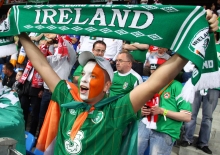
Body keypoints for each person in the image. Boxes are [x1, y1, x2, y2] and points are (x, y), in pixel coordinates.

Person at [18, 10, 218, 155]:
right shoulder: (67, 97)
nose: (84, 79)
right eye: (84, 74)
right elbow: (43, 66)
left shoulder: (115, 111)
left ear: (107, 86)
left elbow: (154, 83)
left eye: (93, 76)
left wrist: (195, 40)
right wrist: (21, 34)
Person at [138, 57, 192, 155]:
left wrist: (163, 111)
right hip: (146, 124)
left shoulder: (177, 86)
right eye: (152, 71)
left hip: (165, 130)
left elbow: (187, 116)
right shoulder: (149, 85)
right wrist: (141, 111)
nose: (153, 74)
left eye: (156, 71)